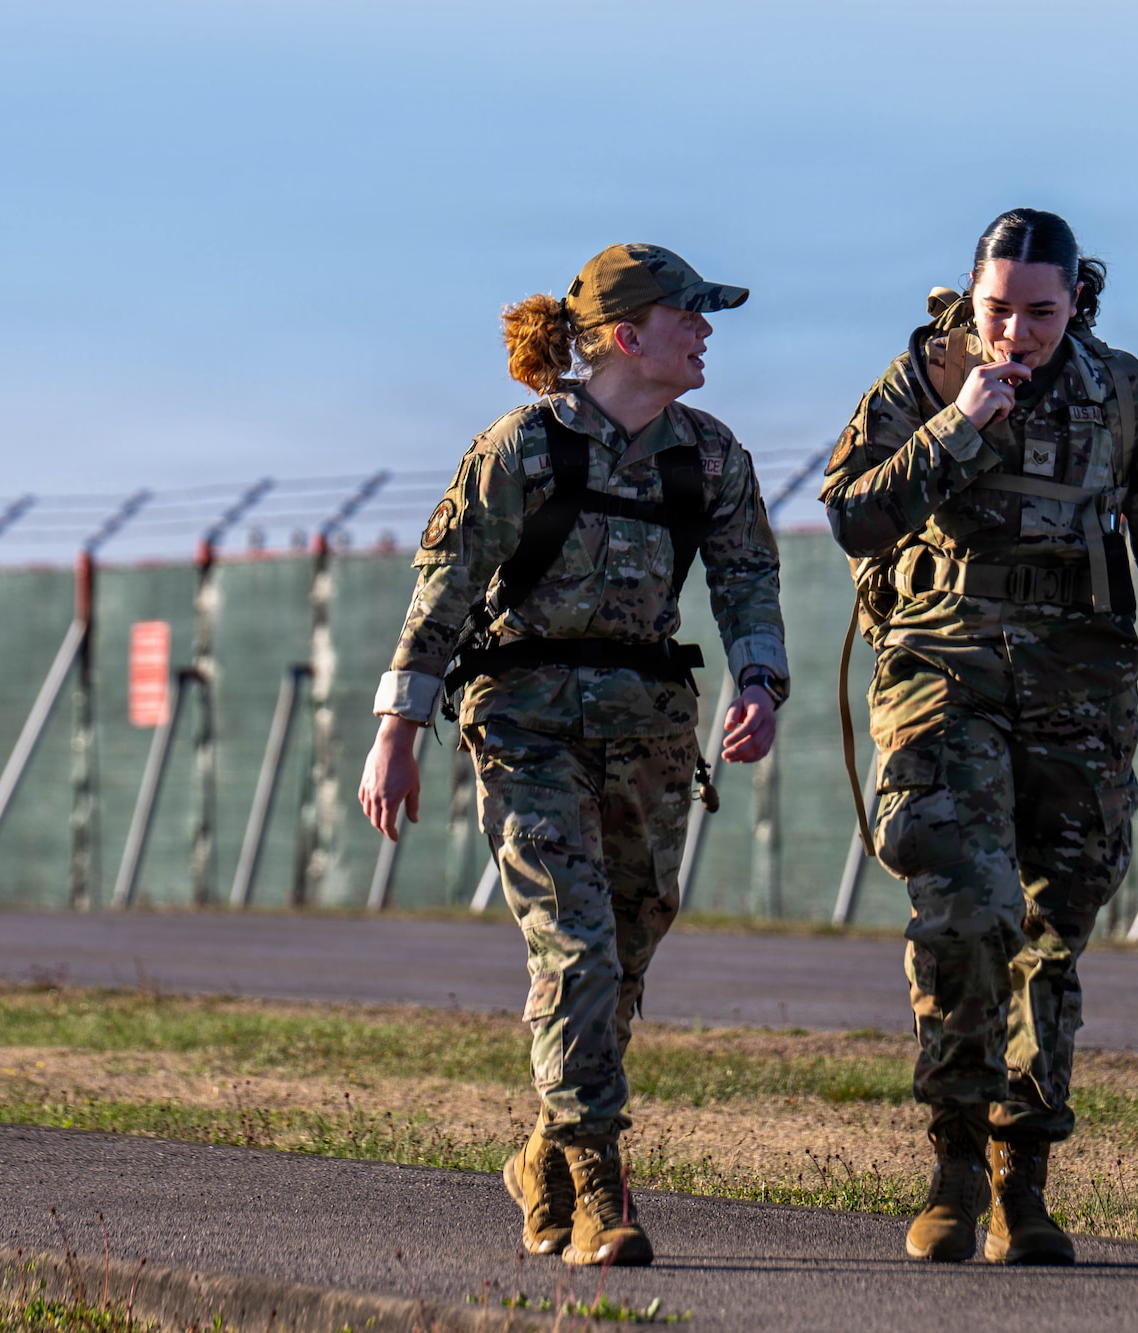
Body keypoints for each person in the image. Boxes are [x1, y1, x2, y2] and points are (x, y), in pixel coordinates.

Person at [820, 209, 1138, 1265]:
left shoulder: (1123, 398)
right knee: (963, 908)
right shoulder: (924, 380)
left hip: (1078, 677)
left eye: (1038, 311)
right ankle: (952, 1165)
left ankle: (1025, 1177)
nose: (1014, 332)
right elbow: (848, 516)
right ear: (968, 300)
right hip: (941, 667)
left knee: (1050, 930)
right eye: (995, 310)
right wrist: (955, 427)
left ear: (1078, 304)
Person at [358, 243, 789, 1269]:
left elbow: (746, 579)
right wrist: (398, 730)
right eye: (689, 315)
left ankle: (541, 1157)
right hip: (524, 723)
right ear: (624, 334)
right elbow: (445, 586)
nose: (706, 332)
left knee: (625, 951)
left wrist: (760, 682)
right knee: (577, 949)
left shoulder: (709, 456)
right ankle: (600, 1186)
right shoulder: (522, 448)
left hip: (648, 726)